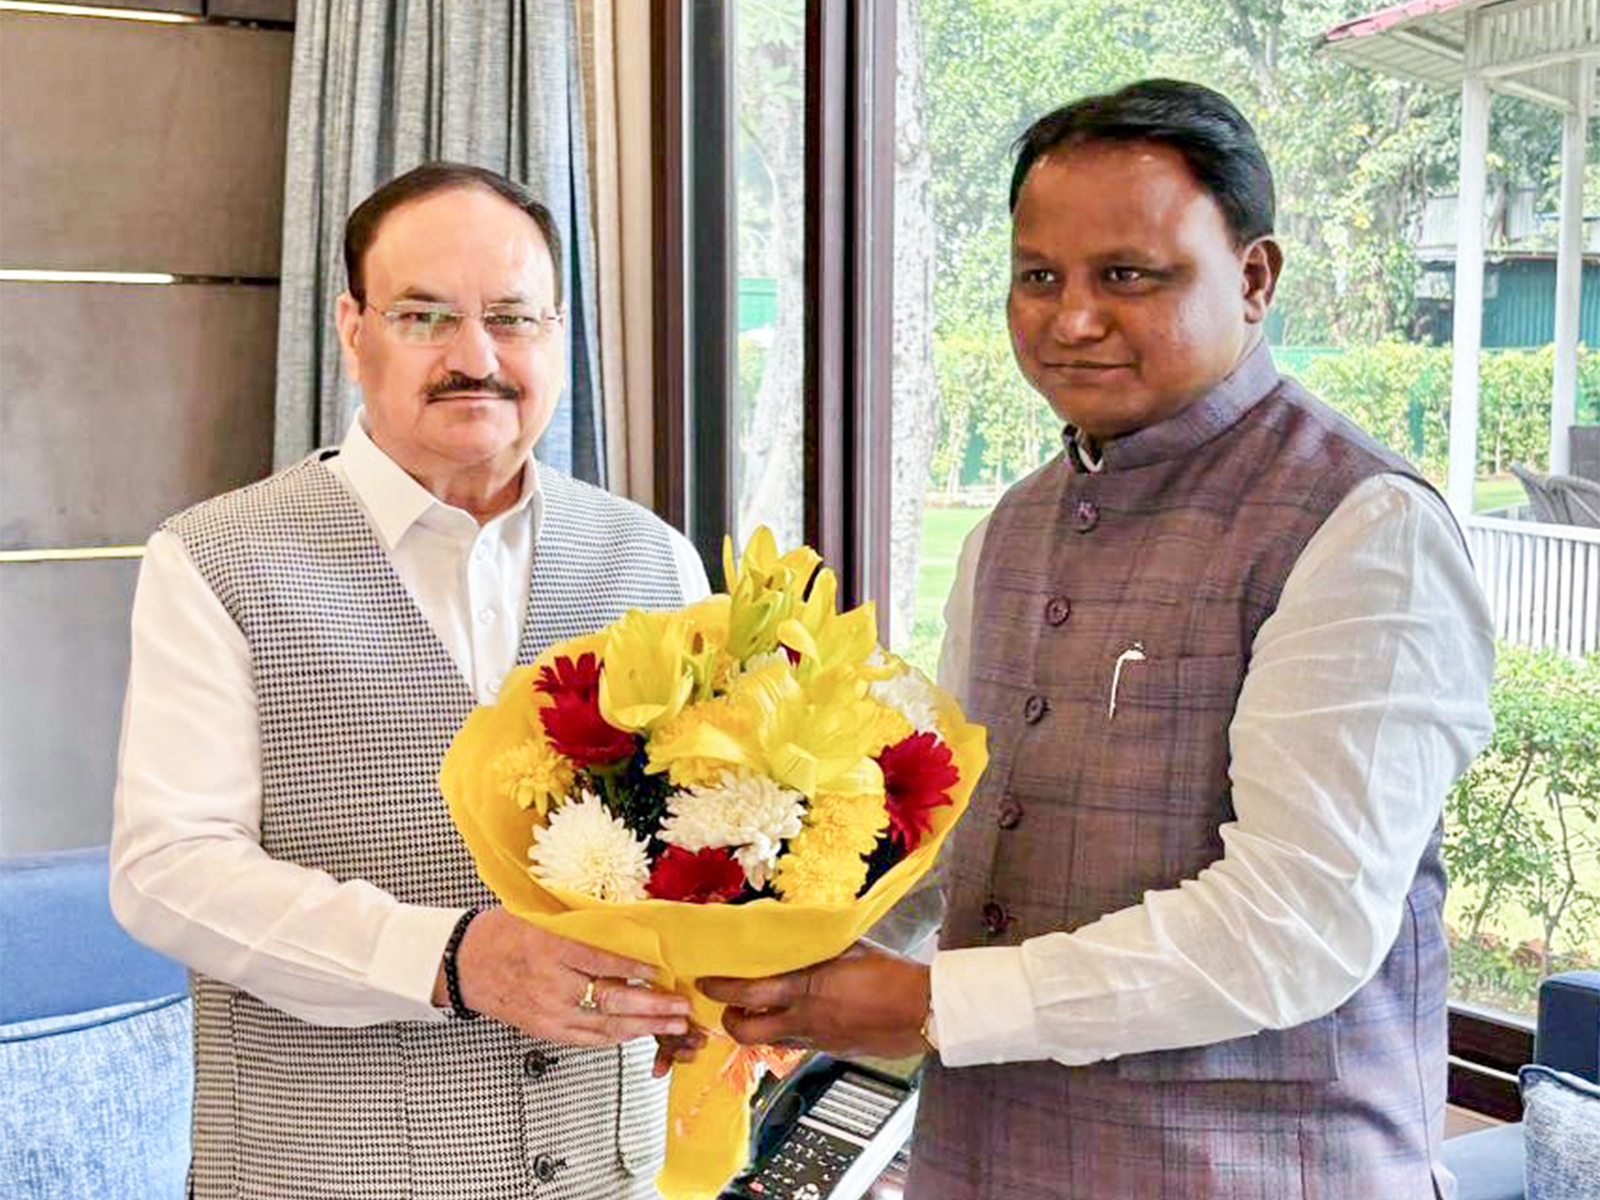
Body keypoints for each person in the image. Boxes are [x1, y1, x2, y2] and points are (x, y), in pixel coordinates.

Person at [703, 79, 1495, 1198]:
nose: (1070, 318)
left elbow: (1292, 927)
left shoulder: (1362, 528)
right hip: (982, 1161)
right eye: (1039, 277)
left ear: (1254, 278)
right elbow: (959, 838)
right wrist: (753, 960)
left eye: (1128, 274)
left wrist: (925, 1001)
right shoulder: (1011, 529)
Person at [111, 162, 707, 1199]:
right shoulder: (214, 558)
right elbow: (169, 871)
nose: (475, 358)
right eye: (425, 316)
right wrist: (452, 956)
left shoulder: (655, 563)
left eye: (512, 318)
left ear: (559, 332)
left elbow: (706, 850)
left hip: (609, 1170)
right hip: (323, 1174)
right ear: (353, 329)